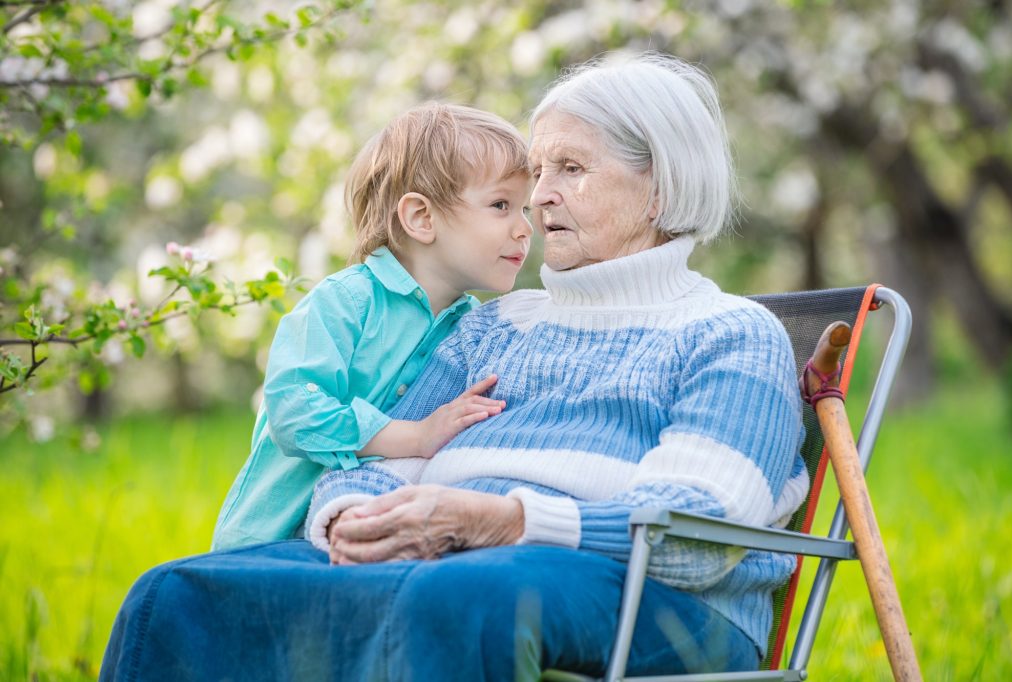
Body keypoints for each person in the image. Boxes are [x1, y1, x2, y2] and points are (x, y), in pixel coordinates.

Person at [101, 53, 808, 681]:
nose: (537, 197)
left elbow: (695, 532)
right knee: (176, 594)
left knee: (463, 598)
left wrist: (500, 520)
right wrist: (352, 518)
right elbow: (384, 453)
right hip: (446, 569)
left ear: (662, 188)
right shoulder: (492, 324)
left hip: (657, 605)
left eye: (571, 168)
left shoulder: (730, 334)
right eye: (536, 173)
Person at [212, 102, 533, 550]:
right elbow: (293, 409)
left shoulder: (474, 331)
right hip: (270, 542)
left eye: (526, 209)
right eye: (502, 205)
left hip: (366, 543)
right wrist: (415, 437)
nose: (525, 229)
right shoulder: (346, 302)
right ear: (422, 218)